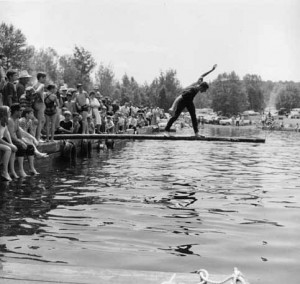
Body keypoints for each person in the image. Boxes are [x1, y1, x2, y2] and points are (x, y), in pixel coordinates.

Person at [165, 64, 217, 137]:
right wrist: (172, 107)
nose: (204, 91)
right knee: (175, 116)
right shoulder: (191, 91)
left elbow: (202, 75)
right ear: (202, 87)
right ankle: (166, 131)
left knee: (193, 116)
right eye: (205, 90)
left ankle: (196, 133)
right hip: (182, 101)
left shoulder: (199, 82)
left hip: (189, 102)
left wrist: (212, 70)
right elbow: (179, 97)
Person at [7, 103, 38, 177]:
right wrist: (20, 142)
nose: (22, 112)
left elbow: (18, 132)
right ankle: (21, 170)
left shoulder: (16, 119)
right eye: (20, 110)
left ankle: (31, 168)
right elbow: (11, 136)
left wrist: (22, 141)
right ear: (16, 111)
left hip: (16, 139)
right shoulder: (10, 120)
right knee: (21, 148)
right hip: (10, 140)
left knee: (30, 147)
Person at [0, 106, 18, 180]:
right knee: (8, 149)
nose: (10, 112)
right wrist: (9, 145)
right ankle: (5, 172)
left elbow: (7, 132)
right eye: (9, 111)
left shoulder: (4, 121)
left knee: (13, 148)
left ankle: (12, 171)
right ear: (4, 113)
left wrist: (11, 144)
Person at [33, 72, 47, 142]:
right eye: (44, 78)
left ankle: (37, 136)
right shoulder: (41, 84)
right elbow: (37, 91)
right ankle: (38, 138)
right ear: (41, 77)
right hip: (40, 104)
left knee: (41, 121)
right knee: (39, 121)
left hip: (35, 104)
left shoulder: (34, 84)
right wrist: (41, 98)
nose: (45, 79)